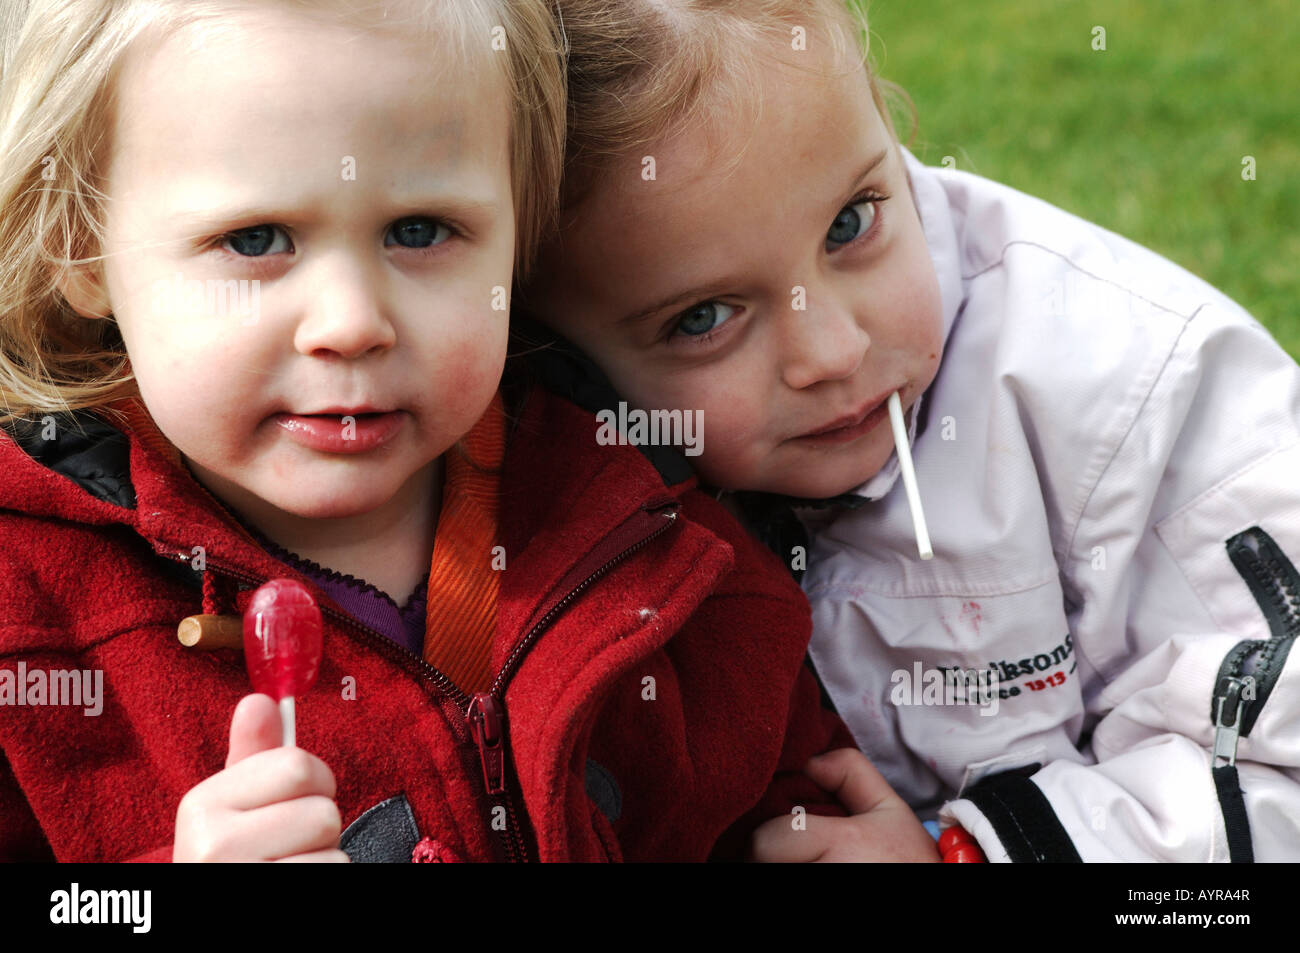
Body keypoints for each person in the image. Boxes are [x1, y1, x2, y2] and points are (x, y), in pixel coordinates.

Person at [0, 0, 851, 863]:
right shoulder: (27, 617)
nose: (350, 321)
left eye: (420, 231)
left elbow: (784, 792)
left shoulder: (638, 515)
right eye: (256, 239)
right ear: (80, 249)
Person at [518, 0, 1300, 861]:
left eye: (851, 223)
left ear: (887, 123)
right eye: (704, 317)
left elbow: (1278, 776)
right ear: (555, 348)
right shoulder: (521, 477)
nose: (834, 350)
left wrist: (968, 856)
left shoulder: (1137, 387)